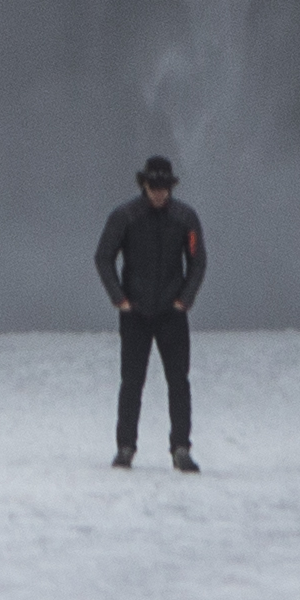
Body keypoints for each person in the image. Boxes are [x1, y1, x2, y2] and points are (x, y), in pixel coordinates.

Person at [97, 154, 206, 469]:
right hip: (136, 314)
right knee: (131, 381)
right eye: (154, 186)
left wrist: (184, 300)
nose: (159, 193)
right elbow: (103, 256)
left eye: (164, 187)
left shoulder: (185, 218)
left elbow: (198, 261)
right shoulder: (126, 216)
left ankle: (181, 448)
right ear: (143, 184)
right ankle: (126, 447)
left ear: (171, 187)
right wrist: (120, 299)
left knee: (179, 382)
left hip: (172, 314)